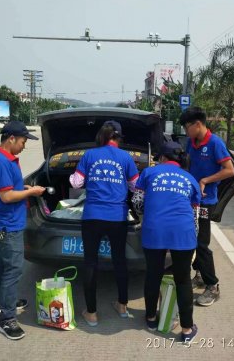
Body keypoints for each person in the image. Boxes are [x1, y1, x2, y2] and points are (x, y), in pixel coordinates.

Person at [69, 120, 139, 326]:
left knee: (90, 262)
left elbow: (76, 183)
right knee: (119, 261)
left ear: (103, 135)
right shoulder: (126, 157)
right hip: (117, 217)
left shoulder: (90, 155)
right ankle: (123, 306)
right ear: (118, 138)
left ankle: (91, 313)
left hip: (92, 216)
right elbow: (135, 186)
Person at [132, 141, 201, 343]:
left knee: (153, 275)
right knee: (183, 280)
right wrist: (192, 241)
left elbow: (137, 203)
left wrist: (150, 212)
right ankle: (187, 330)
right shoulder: (190, 179)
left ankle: (151, 318)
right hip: (183, 232)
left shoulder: (149, 173)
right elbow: (194, 214)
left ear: (161, 157)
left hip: (155, 230)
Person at [0, 121, 46, 340]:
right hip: (8, 224)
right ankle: (7, 319)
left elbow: (11, 187)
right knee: (13, 269)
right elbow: (6, 196)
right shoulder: (1, 161)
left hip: (3, 223)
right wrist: (31, 193)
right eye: (22, 141)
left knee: (3, 262)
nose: (23, 146)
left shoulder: (4, 158)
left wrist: (25, 188)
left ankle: (3, 302)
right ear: (11, 138)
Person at [179, 107, 234, 306]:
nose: (186, 131)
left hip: (205, 201)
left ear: (197, 124)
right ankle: (200, 275)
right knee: (191, 239)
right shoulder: (190, 142)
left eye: (187, 126)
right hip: (190, 200)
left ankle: (213, 286)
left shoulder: (215, 143)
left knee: (201, 244)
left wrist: (205, 180)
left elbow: (230, 170)